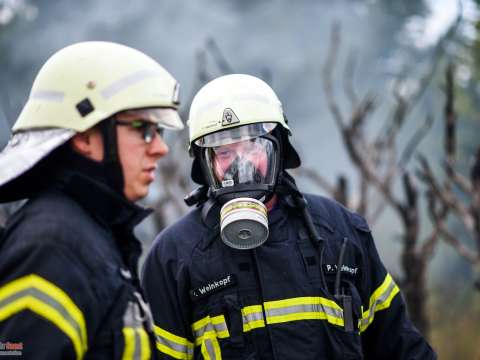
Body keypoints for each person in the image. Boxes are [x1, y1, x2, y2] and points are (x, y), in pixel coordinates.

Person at [141, 74, 437, 360]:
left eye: (253, 146)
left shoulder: (340, 231)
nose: (241, 166)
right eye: (225, 153)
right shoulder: (173, 257)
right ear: (206, 166)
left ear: (279, 149)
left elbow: (399, 345)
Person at [0, 41, 183, 359]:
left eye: (158, 131)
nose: (160, 148)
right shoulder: (52, 246)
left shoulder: (90, 237)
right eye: (143, 129)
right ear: (86, 137)